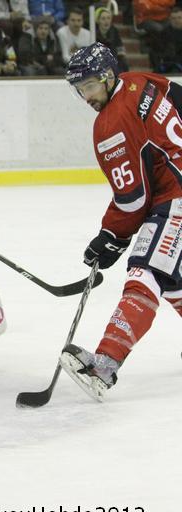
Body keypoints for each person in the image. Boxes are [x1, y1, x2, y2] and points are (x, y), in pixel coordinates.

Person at [60, 43, 182, 400]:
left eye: (89, 86)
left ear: (107, 76)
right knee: (172, 280)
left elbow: (133, 200)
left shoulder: (111, 124)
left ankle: (105, 365)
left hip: (175, 197)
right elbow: (177, 94)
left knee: (146, 272)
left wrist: (110, 236)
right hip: (173, 189)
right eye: (79, 89)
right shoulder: (139, 81)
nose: (85, 97)